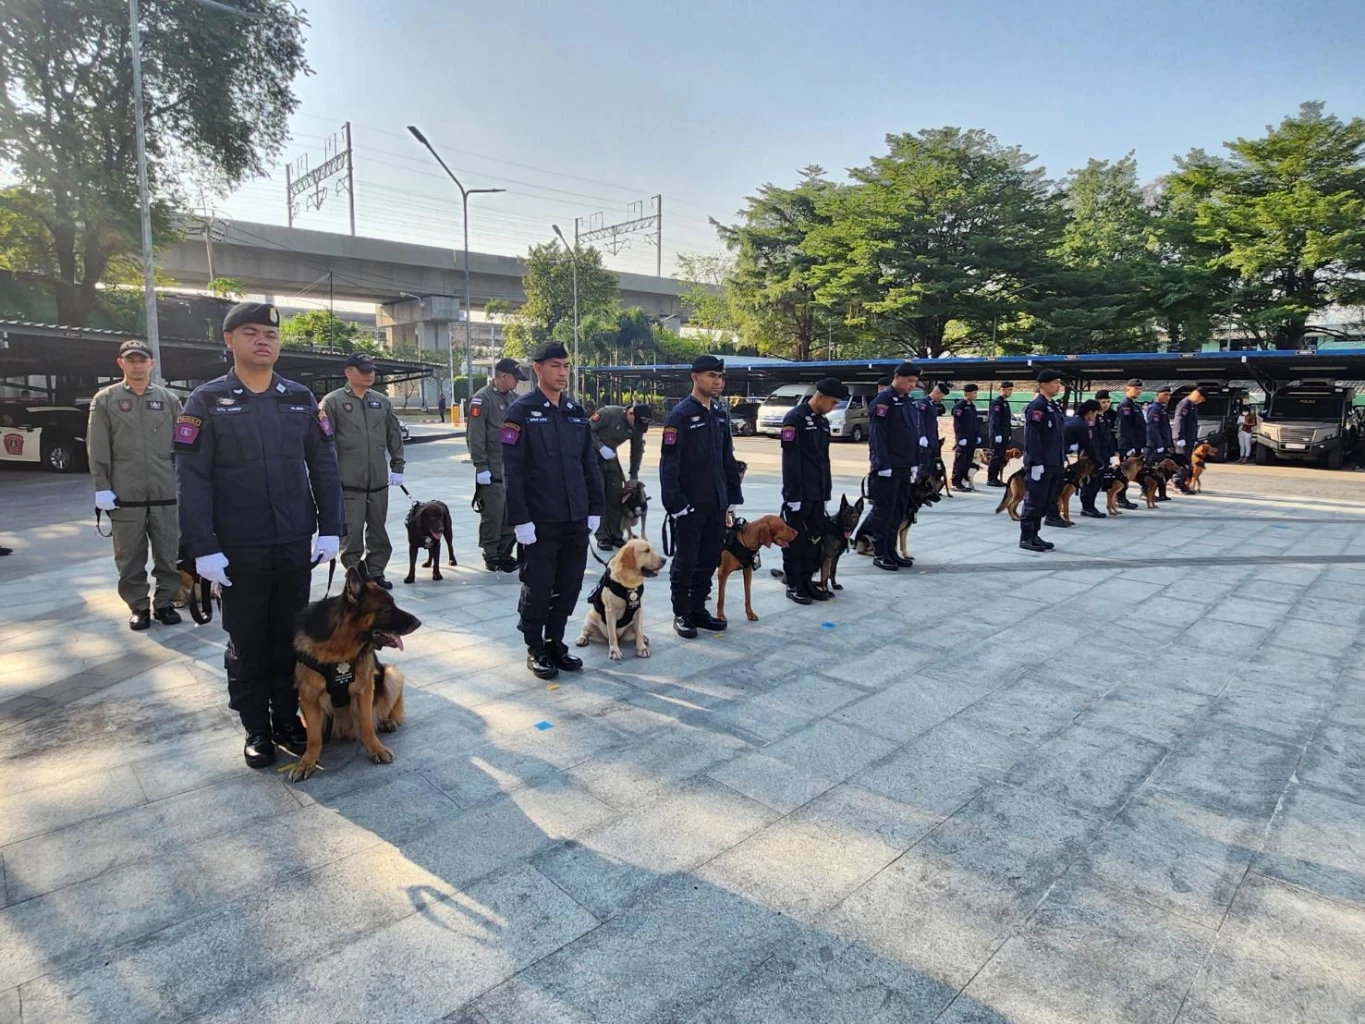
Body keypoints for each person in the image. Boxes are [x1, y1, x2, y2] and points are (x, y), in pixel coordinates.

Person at [176, 302, 344, 769]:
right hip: (238, 548)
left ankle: (287, 718)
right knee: (247, 642)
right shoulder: (206, 401)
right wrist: (202, 548)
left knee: (290, 638)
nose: (263, 341)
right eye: (250, 333)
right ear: (228, 340)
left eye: (270, 334)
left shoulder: (299, 397)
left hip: (293, 540)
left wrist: (331, 527)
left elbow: (324, 465)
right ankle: (255, 726)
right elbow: (192, 478)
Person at [502, 341, 603, 678]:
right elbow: (512, 470)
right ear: (538, 369)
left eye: (566, 366)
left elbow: (589, 462)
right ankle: (535, 646)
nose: (562, 372)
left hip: (575, 516)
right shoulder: (521, 412)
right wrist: (520, 520)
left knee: (569, 583)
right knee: (539, 584)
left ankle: (556, 641)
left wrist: (595, 507)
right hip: (540, 519)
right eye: (555, 366)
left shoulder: (575, 411)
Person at [86, 339, 183, 630]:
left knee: (167, 554)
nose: (137, 365)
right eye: (132, 360)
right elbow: (98, 446)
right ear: (121, 363)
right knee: (129, 558)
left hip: (165, 492)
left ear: (151, 363)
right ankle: (139, 605)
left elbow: (184, 446)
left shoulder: (169, 400)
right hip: (125, 495)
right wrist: (101, 486)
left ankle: (165, 602)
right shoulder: (105, 400)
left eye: (142, 360)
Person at [659, 354, 744, 638]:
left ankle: (697, 608)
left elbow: (726, 456)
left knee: (708, 558)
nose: (717, 381)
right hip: (690, 504)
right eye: (711, 376)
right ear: (695, 377)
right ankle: (681, 612)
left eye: (720, 377)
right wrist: (676, 503)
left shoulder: (720, 413)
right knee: (686, 559)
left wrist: (733, 495)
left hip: (716, 501)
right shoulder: (680, 415)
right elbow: (669, 463)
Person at [322, 353, 404, 590]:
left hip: (377, 481)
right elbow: (326, 443)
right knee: (352, 534)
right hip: (349, 484)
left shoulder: (381, 401)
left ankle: (376, 571)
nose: (370, 374)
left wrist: (397, 465)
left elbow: (394, 434)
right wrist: (328, 478)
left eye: (372, 370)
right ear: (348, 372)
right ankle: (356, 575)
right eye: (363, 370)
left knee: (379, 531)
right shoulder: (333, 402)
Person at [780, 377, 847, 604]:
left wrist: (825, 491)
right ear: (820, 397)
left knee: (815, 541)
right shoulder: (795, 419)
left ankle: (808, 581)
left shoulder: (822, 422)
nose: (834, 407)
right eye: (833, 402)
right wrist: (793, 496)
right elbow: (791, 461)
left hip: (817, 493)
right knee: (795, 541)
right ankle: (794, 584)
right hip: (800, 494)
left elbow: (823, 460)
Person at [468, 357, 528, 572]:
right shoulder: (482, 399)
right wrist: (480, 466)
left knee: (510, 514)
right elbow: (476, 435)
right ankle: (491, 553)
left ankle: (504, 552)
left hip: (512, 468)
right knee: (493, 514)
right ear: (503, 376)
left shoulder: (515, 399)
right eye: (515, 378)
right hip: (492, 468)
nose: (517, 383)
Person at [863, 362, 922, 572]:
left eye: (915, 382)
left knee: (898, 511)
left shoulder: (907, 401)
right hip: (887, 468)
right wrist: (882, 464)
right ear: (897, 377)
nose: (912, 385)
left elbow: (911, 434)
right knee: (883, 513)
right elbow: (878, 436)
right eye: (909, 381)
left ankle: (892, 551)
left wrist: (915, 462)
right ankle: (880, 553)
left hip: (905, 466)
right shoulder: (883, 401)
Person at [590, 401, 653, 551]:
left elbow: (637, 451)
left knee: (616, 496)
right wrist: (600, 446)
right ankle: (602, 537)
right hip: (592, 457)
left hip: (611, 457)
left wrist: (633, 476)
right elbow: (587, 429)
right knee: (599, 497)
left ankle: (616, 534)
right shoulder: (608, 413)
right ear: (630, 414)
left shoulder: (637, 425)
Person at [1019, 370, 1067, 552]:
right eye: (1055, 382)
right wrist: (1035, 462)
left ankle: (1035, 534)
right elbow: (1032, 436)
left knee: (1046, 500)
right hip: (1041, 463)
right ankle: (1026, 537)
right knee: (1034, 501)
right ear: (1044, 384)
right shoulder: (1037, 406)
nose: (1058, 386)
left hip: (1054, 461)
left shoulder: (1053, 406)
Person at [1067, 399, 1109, 519]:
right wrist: (1098, 462)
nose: (1095, 415)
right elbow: (1088, 445)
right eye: (1095, 413)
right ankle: (1086, 507)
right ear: (1090, 412)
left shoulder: (1077, 421)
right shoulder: (1082, 425)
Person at [1172, 387, 1205, 494]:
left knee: (1187, 463)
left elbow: (1193, 424)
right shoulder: (1184, 404)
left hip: (1189, 439)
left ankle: (1183, 485)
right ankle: (1177, 484)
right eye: (1201, 399)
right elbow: (1179, 421)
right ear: (1197, 395)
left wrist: (1194, 438)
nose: (1201, 402)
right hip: (1183, 439)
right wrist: (1179, 437)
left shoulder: (1192, 406)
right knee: (1181, 463)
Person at [951, 383, 983, 491]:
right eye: (974, 393)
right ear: (968, 393)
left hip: (971, 438)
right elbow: (957, 423)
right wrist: (960, 438)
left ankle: (964, 481)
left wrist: (978, 435)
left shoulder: (972, 406)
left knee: (968, 461)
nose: (976, 395)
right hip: (963, 438)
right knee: (960, 461)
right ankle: (956, 482)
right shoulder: (961, 406)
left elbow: (975, 423)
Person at [1145, 384, 1175, 501]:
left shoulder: (1162, 409)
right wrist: (1158, 444)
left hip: (1163, 444)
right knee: (1151, 471)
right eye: (1165, 395)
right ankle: (1146, 493)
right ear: (1158, 395)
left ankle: (1162, 493)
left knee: (1161, 471)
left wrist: (1169, 444)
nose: (1167, 397)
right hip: (1154, 446)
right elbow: (1153, 428)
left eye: (1169, 395)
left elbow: (1166, 428)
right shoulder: (1154, 408)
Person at [986, 381, 1014, 487]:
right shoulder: (997, 402)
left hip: (1004, 434)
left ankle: (996, 478)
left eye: (1011, 390)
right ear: (1003, 389)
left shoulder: (1005, 402)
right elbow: (995, 420)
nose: (1011, 392)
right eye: (1009, 390)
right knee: (996, 456)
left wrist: (1009, 433)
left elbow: (1007, 421)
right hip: (998, 434)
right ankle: (991, 478)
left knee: (1001, 457)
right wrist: (997, 433)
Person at [1117, 379, 1146, 459]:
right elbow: (1125, 426)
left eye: (1140, 389)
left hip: (1137, 444)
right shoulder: (1125, 405)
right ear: (1128, 389)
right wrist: (1129, 446)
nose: (1139, 391)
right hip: (1129, 446)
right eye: (1136, 388)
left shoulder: (1135, 405)